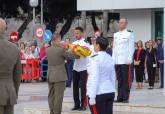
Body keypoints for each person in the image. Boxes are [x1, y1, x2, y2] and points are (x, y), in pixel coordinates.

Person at [46, 33, 74, 114]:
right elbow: (71, 56)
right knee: (59, 96)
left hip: (50, 75)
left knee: (51, 95)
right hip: (59, 76)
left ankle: (52, 111)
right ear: (57, 39)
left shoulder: (48, 49)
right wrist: (70, 49)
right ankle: (56, 112)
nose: (60, 41)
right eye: (60, 40)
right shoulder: (61, 50)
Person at [87, 37, 116, 114]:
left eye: (94, 44)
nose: (93, 45)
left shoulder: (94, 58)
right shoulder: (110, 58)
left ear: (98, 45)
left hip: (98, 93)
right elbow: (112, 76)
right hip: (110, 90)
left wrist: (92, 96)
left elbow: (94, 78)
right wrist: (113, 90)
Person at [0, 18, 21, 114]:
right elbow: (17, 75)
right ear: (5, 29)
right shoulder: (14, 48)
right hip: (9, 92)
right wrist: (14, 92)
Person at [112, 18, 134, 103]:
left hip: (125, 60)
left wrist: (129, 58)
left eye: (122, 23)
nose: (120, 24)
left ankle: (125, 97)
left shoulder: (129, 34)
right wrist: (113, 59)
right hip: (117, 60)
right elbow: (114, 47)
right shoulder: (116, 34)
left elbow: (131, 47)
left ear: (126, 24)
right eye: (119, 23)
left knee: (126, 79)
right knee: (119, 79)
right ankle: (119, 97)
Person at [72, 27, 90, 111]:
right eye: (75, 33)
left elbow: (86, 54)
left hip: (84, 68)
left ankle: (83, 104)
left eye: (78, 33)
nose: (76, 35)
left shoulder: (86, 43)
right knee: (75, 87)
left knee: (83, 87)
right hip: (76, 67)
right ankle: (76, 104)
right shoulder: (74, 43)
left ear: (82, 33)